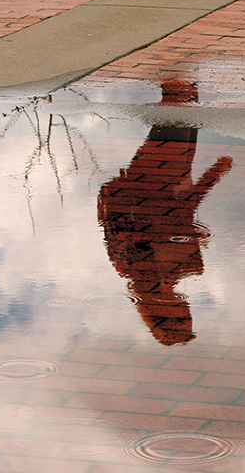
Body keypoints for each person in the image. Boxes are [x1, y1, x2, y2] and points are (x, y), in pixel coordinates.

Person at [98, 124, 232, 345]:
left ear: (158, 313)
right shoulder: (165, 276)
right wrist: (212, 178)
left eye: (182, 316)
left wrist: (186, 238)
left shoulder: (143, 272)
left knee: (178, 111)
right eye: (188, 316)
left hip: (153, 181)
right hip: (166, 178)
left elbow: (159, 224)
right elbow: (183, 211)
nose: (186, 308)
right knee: (185, 110)